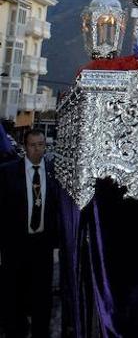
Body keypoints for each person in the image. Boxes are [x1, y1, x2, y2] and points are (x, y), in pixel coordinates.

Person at [0, 128, 60, 338]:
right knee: (13, 296)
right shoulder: (7, 173)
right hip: (15, 246)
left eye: (41, 145)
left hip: (42, 246)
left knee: (42, 298)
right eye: (33, 145)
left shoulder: (55, 173)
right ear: (25, 147)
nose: (37, 150)